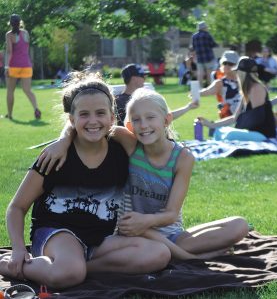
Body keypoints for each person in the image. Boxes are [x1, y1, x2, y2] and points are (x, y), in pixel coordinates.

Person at [0, 72, 171, 289]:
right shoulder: (54, 157)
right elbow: (17, 206)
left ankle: (77, 269)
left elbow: (157, 148)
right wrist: (17, 249)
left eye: (100, 113)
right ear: (71, 120)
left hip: (98, 241)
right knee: (69, 271)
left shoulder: (123, 148)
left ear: (111, 117)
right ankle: (10, 265)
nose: (93, 121)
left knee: (158, 254)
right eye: (84, 114)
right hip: (57, 233)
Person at [37, 88, 249, 260]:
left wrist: (147, 221)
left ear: (166, 120)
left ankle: (180, 252)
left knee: (239, 225)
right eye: (136, 120)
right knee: (152, 250)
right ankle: (186, 256)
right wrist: (63, 141)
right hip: (131, 233)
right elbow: (82, 119)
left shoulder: (183, 158)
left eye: (150, 117)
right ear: (129, 126)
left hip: (170, 234)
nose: (144, 125)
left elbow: (172, 214)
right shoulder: (129, 143)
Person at [199, 56, 277, 141]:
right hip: (251, 131)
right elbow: (234, 118)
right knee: (219, 131)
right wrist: (210, 124)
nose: (237, 74)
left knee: (229, 134)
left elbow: (257, 118)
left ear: (243, 73)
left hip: (262, 133)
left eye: (238, 71)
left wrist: (239, 128)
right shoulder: (247, 90)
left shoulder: (256, 88)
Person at [116, 63, 198, 126]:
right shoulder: (120, 102)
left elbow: (166, 116)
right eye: (142, 76)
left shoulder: (143, 98)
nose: (145, 79)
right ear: (134, 79)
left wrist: (189, 107)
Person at [5, 14, 41, 120]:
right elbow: (27, 49)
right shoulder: (25, 33)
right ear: (20, 22)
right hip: (26, 65)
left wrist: (6, 67)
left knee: (10, 91)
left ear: (10, 23)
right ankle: (36, 108)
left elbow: (9, 51)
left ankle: (10, 115)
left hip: (14, 66)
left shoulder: (9, 35)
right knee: (27, 90)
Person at [199, 50, 241, 118]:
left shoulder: (242, 80)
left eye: (230, 63)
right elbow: (208, 91)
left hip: (244, 114)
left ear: (236, 65)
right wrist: (196, 93)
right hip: (229, 115)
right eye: (225, 63)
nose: (227, 65)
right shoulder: (220, 82)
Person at [192, 21, 218, 87]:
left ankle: (200, 87)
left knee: (200, 73)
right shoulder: (207, 35)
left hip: (199, 57)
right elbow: (213, 44)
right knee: (209, 72)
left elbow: (193, 47)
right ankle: (209, 86)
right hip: (208, 57)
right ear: (204, 28)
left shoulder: (194, 36)